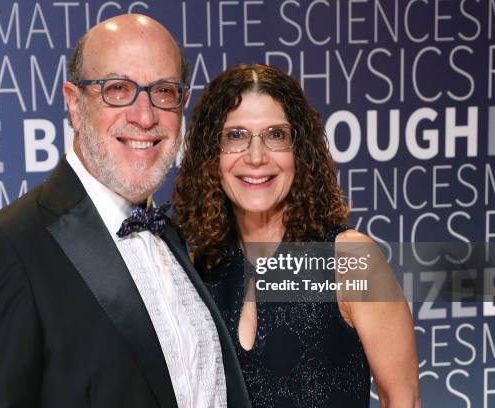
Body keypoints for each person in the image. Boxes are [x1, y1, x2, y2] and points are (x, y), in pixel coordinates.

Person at [0, 15, 251, 408]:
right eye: (117, 89)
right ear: (74, 102)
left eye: (164, 92)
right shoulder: (4, 250)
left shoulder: (174, 235)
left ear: (182, 104)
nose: (145, 116)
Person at [173, 63, 420, 408]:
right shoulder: (203, 267)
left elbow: (402, 399)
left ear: (299, 151)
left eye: (275, 135)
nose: (256, 157)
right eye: (236, 136)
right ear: (210, 155)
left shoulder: (350, 261)